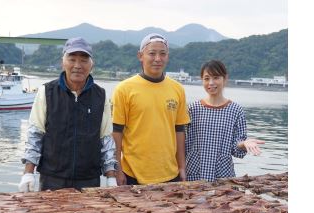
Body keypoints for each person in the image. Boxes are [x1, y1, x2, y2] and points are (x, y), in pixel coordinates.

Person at [18, 37, 117, 192]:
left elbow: (106, 139)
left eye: (84, 60)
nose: (77, 65)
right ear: (63, 62)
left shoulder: (100, 95)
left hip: (89, 178)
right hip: (52, 177)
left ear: (92, 65)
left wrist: (111, 177)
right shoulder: (47, 92)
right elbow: (35, 135)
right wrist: (28, 173)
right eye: (72, 59)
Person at [112, 33, 190, 185]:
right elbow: (116, 133)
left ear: (167, 56)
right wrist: (118, 169)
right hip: (132, 174)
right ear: (140, 56)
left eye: (163, 54)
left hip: (170, 173)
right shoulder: (124, 89)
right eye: (152, 53)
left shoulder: (177, 89)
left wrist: (181, 166)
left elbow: (179, 131)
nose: (157, 59)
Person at [185, 60, 264, 182]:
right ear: (202, 80)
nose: (211, 83)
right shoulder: (193, 109)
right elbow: (183, 143)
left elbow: (235, 148)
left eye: (216, 77)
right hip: (194, 172)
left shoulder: (235, 110)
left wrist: (244, 144)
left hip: (223, 174)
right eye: (206, 78)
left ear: (225, 78)